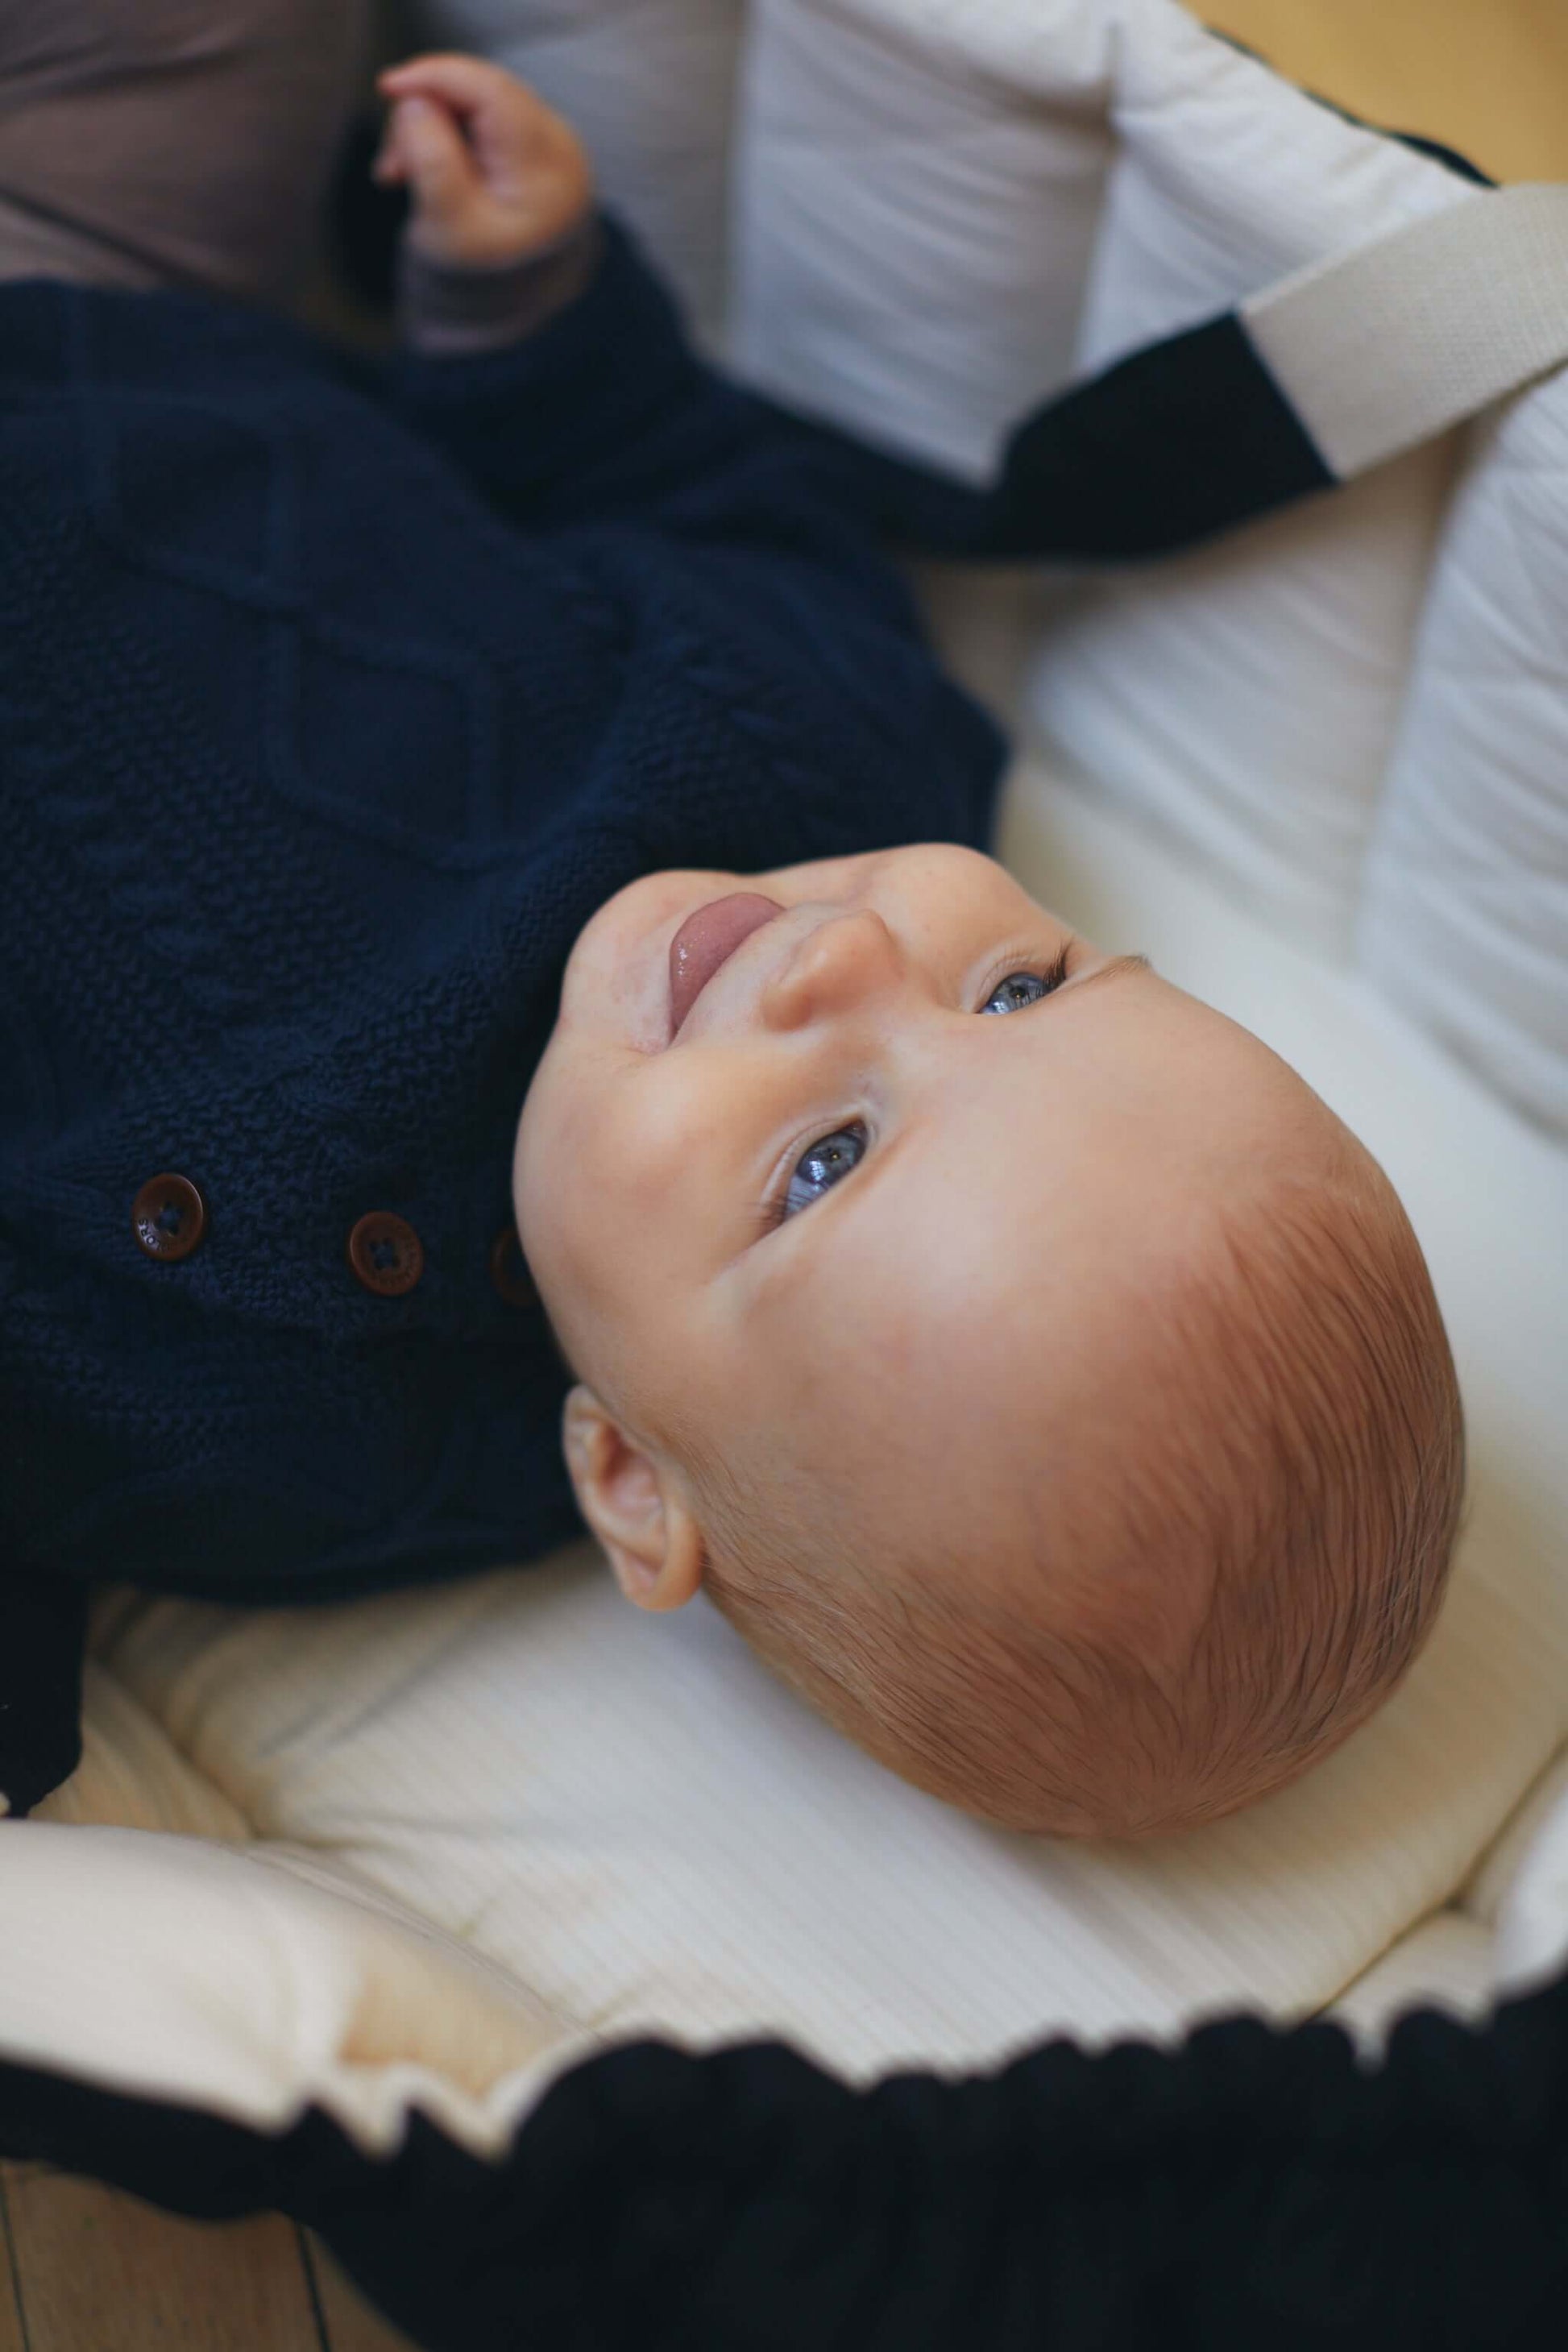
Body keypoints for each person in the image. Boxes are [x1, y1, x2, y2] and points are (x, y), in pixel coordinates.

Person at [0, 8, 1462, 1836]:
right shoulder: (839, 747)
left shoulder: (294, 1441)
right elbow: (692, 484)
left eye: (823, 1164)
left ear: (628, 1477)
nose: (843, 957)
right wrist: (525, 302)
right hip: (102, 278)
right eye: (1018, 986)